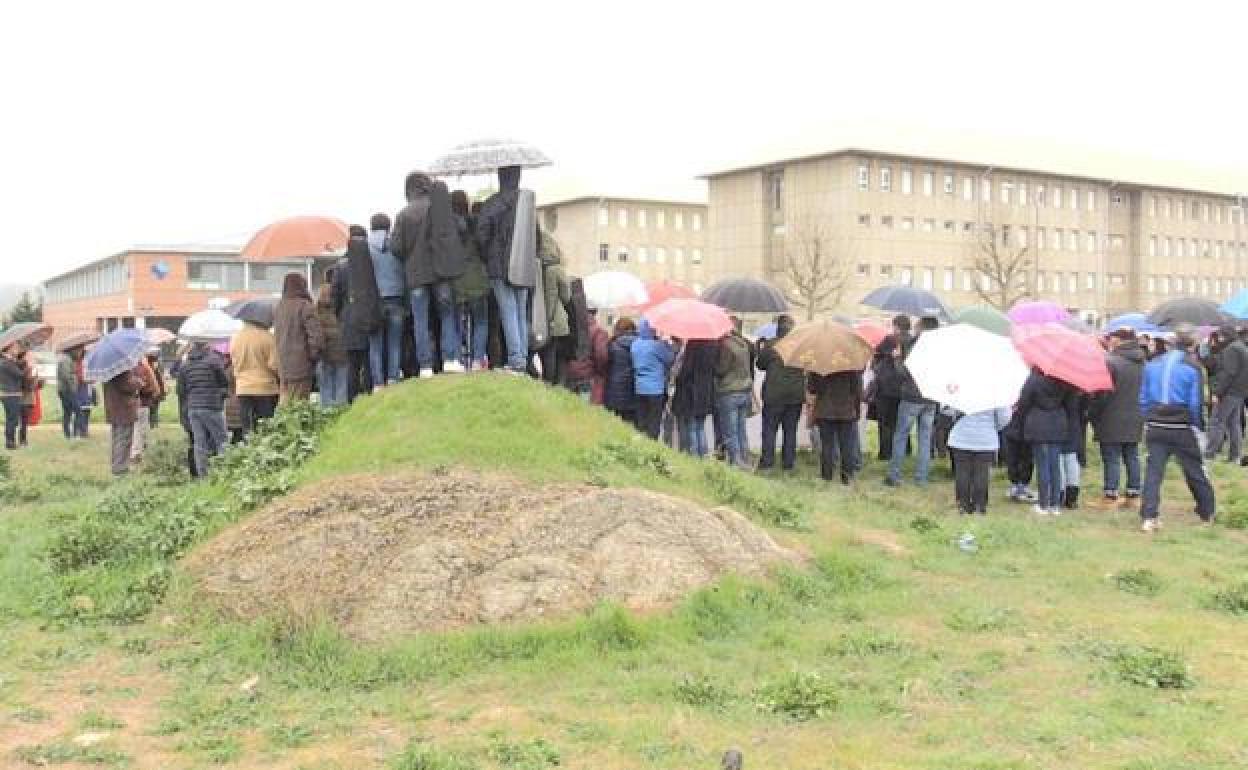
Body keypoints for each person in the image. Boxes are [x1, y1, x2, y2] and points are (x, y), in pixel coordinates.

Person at [1138, 328, 1215, 531]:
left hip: (1155, 423)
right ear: (1191, 346)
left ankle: (1148, 515)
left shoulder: (1152, 364)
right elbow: (1194, 402)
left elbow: (1144, 398)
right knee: (1194, 469)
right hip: (1181, 424)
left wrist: (1148, 416)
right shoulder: (1192, 367)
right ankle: (1207, 511)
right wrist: (1198, 425)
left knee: (1153, 472)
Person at [392, 173, 466, 377]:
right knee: (447, 314)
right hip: (441, 270)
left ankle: (425, 366)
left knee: (420, 320)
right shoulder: (440, 207)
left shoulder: (404, 214)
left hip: (416, 275)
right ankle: (450, 359)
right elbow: (460, 228)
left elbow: (396, 247)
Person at [477, 165, 538, 374]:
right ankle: (521, 357)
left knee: (508, 311)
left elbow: (482, 236)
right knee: (520, 312)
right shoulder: (527, 204)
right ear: (518, 177)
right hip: (523, 266)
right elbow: (535, 238)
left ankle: (516, 360)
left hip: (498, 266)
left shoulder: (492, 203)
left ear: (500, 177)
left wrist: (488, 257)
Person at [1088, 329, 1146, 505]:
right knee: (1132, 455)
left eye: (1111, 338)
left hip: (1111, 415)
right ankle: (1134, 493)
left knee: (1111, 457)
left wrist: (1093, 413)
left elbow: (1101, 393)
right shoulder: (1143, 362)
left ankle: (1111, 494)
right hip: (1136, 415)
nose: (1110, 341)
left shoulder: (1111, 362)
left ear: (1119, 341)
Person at [887, 316, 939, 487]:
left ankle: (894, 475)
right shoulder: (940, 348)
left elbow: (903, 373)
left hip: (911, 396)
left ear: (922, 328)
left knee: (901, 435)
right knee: (925, 438)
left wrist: (896, 358)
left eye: (917, 326)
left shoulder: (915, 346)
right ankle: (922, 478)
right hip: (930, 398)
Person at [1017, 367, 1077, 516]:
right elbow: (1071, 405)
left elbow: (1023, 403)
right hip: (1058, 422)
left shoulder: (1033, 379)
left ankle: (1043, 504)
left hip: (1038, 423)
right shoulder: (1064, 379)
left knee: (1042, 466)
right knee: (1054, 465)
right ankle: (1055, 504)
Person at [334, 226, 382, 397]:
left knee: (352, 364)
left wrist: (340, 314)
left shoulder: (341, 266)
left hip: (348, 318)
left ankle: (351, 399)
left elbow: (336, 296)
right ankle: (370, 393)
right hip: (368, 315)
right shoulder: (371, 262)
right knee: (368, 359)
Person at [756, 315, 805, 471]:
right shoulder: (799, 347)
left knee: (770, 429)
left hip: (773, 395)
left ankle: (767, 462)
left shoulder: (771, 346)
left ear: (778, 330)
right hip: (795, 395)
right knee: (790, 431)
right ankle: (788, 463)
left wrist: (760, 349)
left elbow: (760, 365)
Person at [177, 341, 230, 477]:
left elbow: (180, 390)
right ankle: (226, 471)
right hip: (212, 406)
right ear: (206, 345)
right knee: (222, 440)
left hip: (193, 407)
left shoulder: (185, 365)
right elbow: (224, 382)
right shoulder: (214, 361)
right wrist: (221, 395)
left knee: (199, 443)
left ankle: (203, 475)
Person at [367, 213, 407, 386]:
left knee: (375, 344)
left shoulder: (365, 247)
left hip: (375, 299)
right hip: (397, 296)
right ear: (389, 226)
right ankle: (393, 378)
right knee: (395, 342)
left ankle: (377, 382)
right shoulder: (397, 244)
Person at [451, 192, 490, 371]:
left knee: (456, 323)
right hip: (477, 280)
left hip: (456, 280)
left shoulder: (448, 228)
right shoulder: (476, 223)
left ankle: (458, 360)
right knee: (480, 321)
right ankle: (476, 360)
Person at [947, 407, 1011, 514]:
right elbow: (1004, 417)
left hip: (961, 437)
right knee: (982, 473)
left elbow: (949, 411)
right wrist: (992, 426)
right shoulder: (995, 393)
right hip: (985, 438)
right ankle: (979, 505)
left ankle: (963, 505)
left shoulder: (961, 390)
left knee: (962, 472)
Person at [273, 272, 323, 404]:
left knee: (285, 402)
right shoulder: (305, 306)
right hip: (301, 364)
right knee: (299, 404)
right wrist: (313, 356)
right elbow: (316, 336)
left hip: (283, 365)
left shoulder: (279, 307)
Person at [809, 368, 864, 484]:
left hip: (825, 410)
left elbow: (812, 389)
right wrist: (857, 411)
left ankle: (826, 475)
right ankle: (847, 476)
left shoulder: (819, 364)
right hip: (846, 411)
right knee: (847, 446)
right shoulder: (850, 366)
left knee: (827, 445)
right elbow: (857, 390)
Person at [715, 317, 755, 468]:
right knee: (740, 429)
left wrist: (713, 365)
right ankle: (745, 459)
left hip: (729, 392)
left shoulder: (726, 345)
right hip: (744, 391)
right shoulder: (743, 343)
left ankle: (737, 463)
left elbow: (721, 369)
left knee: (730, 431)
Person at [231, 317, 280, 437]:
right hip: (265, 388)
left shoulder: (235, 338)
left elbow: (234, 362)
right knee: (266, 427)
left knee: (247, 427)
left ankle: (249, 450)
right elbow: (274, 365)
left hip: (243, 388)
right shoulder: (267, 337)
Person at [1206, 323, 1248, 463]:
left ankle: (1209, 454)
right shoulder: (1241, 346)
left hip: (1229, 391)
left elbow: (1229, 373)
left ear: (1226, 335)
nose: (1219, 338)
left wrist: (1217, 393)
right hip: (1239, 391)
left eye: (1221, 335)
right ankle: (1234, 455)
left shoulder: (1231, 349)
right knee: (1233, 424)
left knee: (1217, 421)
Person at [671, 339, 717, 457]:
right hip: (705, 391)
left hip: (692, 392)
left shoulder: (694, 345)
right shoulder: (713, 345)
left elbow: (686, 370)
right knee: (700, 427)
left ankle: (694, 457)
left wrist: (677, 378)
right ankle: (704, 456)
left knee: (692, 427)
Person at [630, 319, 675, 440]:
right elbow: (670, 359)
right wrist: (666, 344)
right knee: (654, 421)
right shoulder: (656, 346)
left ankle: (642, 443)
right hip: (655, 389)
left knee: (641, 420)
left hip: (639, 387)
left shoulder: (635, 344)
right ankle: (652, 444)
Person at [563, 286, 609, 403]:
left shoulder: (570, 326)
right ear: (595, 312)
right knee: (585, 411)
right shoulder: (598, 331)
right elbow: (601, 356)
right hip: (588, 377)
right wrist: (601, 371)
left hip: (569, 374)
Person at [538, 230, 572, 384]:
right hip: (555, 319)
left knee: (540, 352)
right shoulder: (557, 269)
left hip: (534, 316)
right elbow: (566, 296)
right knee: (552, 353)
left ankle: (543, 381)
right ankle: (551, 384)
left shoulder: (534, 266)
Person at [102, 363, 145, 476]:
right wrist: (139, 382)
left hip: (114, 408)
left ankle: (117, 466)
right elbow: (127, 385)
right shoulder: (120, 368)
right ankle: (121, 468)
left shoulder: (107, 368)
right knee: (124, 439)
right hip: (124, 408)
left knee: (117, 439)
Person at [867, 336, 906, 461]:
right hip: (897, 396)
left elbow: (876, 375)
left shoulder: (881, 361)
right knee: (895, 425)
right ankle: (896, 453)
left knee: (884, 425)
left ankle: (885, 454)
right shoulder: (900, 361)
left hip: (883, 396)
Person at [316, 267, 350, 407]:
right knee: (342, 386)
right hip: (342, 352)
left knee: (325, 388)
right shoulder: (343, 300)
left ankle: (325, 416)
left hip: (324, 354)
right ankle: (340, 415)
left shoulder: (317, 309)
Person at [605, 318, 639, 425]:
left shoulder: (612, 345)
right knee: (631, 424)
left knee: (615, 424)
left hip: (614, 389)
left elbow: (605, 363)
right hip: (633, 390)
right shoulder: (639, 345)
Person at [128, 353, 160, 464]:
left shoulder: (133, 368)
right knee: (142, 426)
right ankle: (143, 447)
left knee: (137, 427)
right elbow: (154, 386)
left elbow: (143, 386)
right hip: (144, 402)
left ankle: (136, 452)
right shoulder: (145, 367)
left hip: (137, 401)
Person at [57, 346, 86, 439]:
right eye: (79, 350)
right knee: (78, 412)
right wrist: (73, 385)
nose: (80, 353)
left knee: (68, 412)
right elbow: (66, 376)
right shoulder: (66, 360)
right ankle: (75, 433)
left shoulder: (67, 359)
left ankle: (68, 435)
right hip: (68, 390)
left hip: (65, 389)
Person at [16, 349, 43, 447]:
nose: (32, 358)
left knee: (23, 421)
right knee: (22, 421)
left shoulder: (28, 368)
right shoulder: (22, 368)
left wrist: (39, 377)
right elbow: (28, 385)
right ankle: (22, 441)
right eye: (29, 356)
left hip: (28, 398)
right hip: (23, 398)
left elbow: (39, 386)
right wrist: (34, 376)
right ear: (23, 357)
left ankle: (23, 440)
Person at [0, 343, 24, 450]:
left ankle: (10, 441)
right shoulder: (7, 362)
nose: (17, 349)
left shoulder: (8, 362)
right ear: (8, 350)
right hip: (11, 393)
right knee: (12, 419)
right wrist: (28, 368)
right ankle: (10, 442)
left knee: (11, 419)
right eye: (14, 348)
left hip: (9, 393)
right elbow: (19, 375)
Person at [145, 350, 165, 428]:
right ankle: (153, 423)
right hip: (152, 389)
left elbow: (160, 378)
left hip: (155, 389)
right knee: (152, 407)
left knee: (154, 407)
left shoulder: (155, 365)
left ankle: (154, 423)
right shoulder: (148, 365)